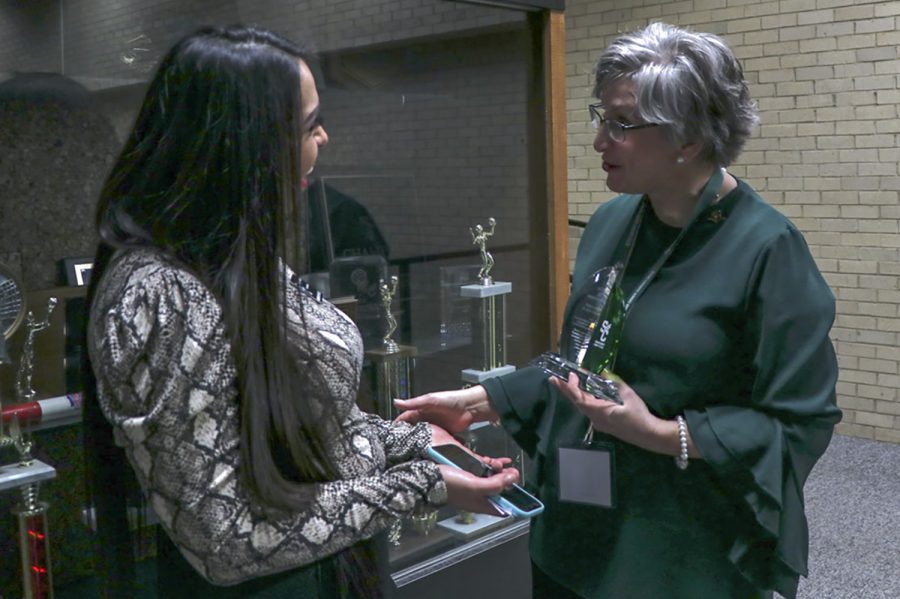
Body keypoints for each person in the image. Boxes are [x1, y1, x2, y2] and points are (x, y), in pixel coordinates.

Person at [396, 22, 841, 599]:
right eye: (600, 117)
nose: (600, 140)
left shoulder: (768, 249)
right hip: (576, 526)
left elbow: (798, 420)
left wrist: (660, 433)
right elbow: (579, 363)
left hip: (679, 550)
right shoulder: (612, 222)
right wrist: (483, 402)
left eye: (622, 124)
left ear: (689, 138)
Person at [81, 25, 518, 599]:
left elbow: (306, 430)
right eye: (309, 126)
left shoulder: (232, 255)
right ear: (245, 143)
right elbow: (228, 540)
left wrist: (410, 438)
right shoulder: (159, 295)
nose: (325, 139)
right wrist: (419, 484)